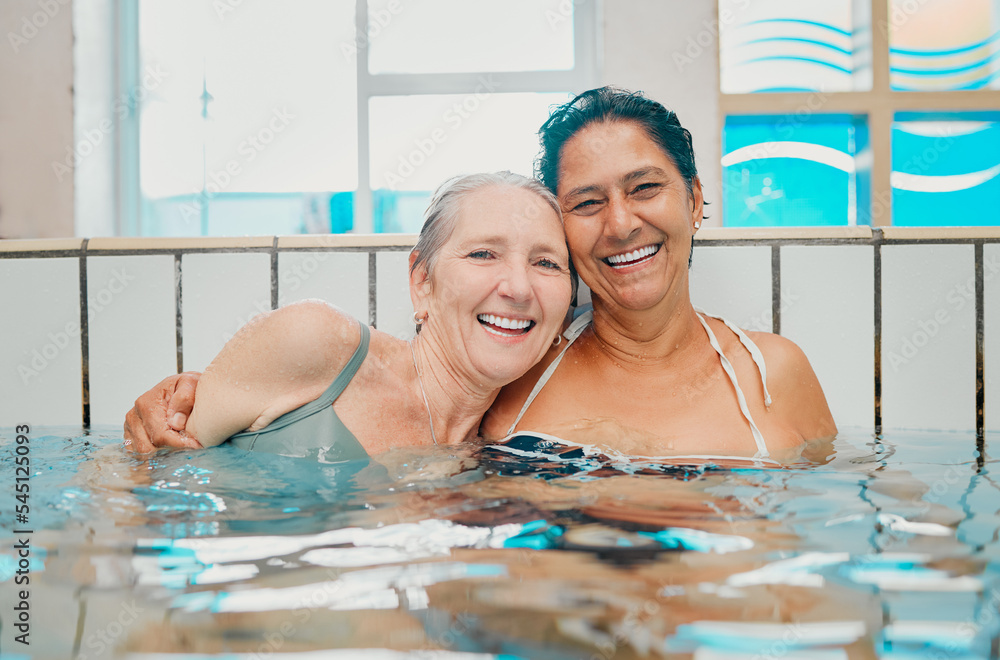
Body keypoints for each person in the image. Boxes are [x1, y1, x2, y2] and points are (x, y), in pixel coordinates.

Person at [480, 87, 836, 460]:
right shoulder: (517, 377)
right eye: (587, 202)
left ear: (694, 200)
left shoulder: (774, 372)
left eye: (644, 188)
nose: (619, 225)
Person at [123, 172, 573, 458]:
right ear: (422, 282)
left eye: (547, 263)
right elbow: (139, 476)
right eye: (482, 253)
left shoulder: (503, 453)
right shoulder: (316, 342)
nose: (518, 287)